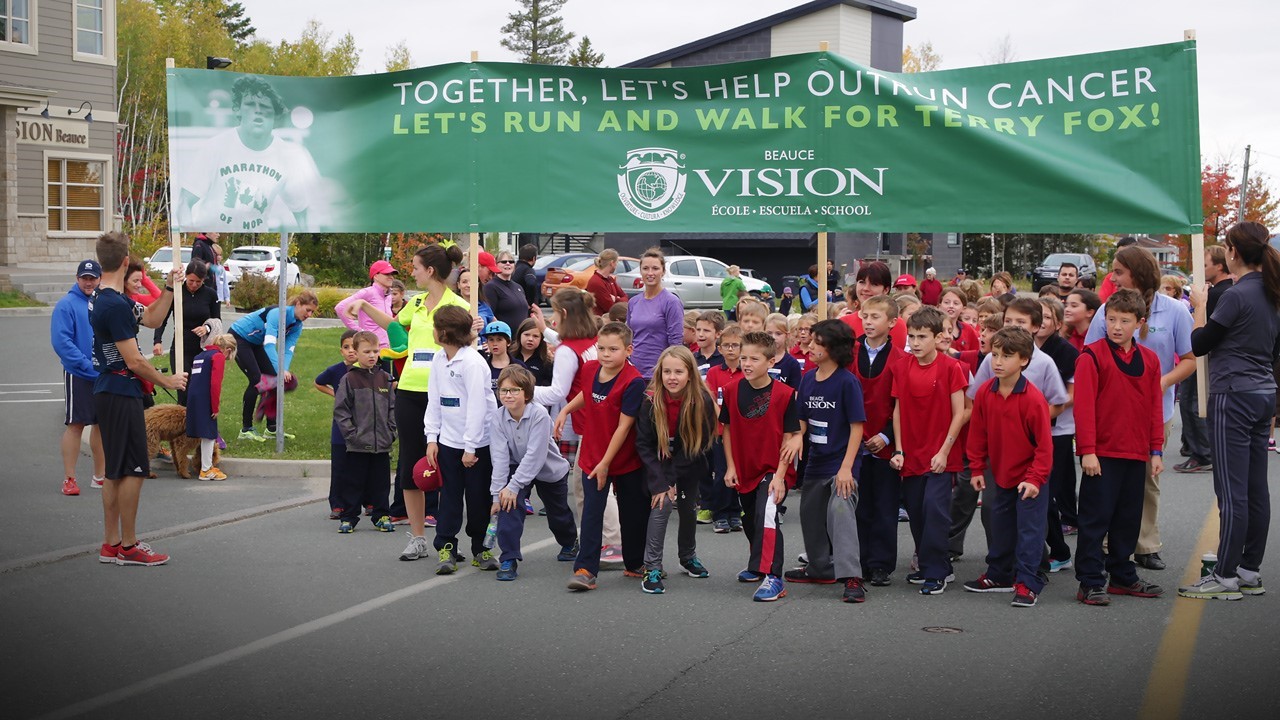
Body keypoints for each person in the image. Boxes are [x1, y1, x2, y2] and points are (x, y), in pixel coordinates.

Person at [1180, 222, 1279, 600]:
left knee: (1231, 490)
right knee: (1256, 488)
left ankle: (1224, 576)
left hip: (1233, 395)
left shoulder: (1237, 296)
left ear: (1233, 253)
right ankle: (1249, 570)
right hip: (1261, 393)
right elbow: (1274, 351)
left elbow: (1200, 343)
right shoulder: (1271, 292)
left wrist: (1201, 305)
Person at [1085, 245, 1194, 571]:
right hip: (1112, 415)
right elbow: (1091, 357)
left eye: (1118, 271)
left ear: (1138, 272)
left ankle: (1145, 543)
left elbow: (1190, 361)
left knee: (1146, 480)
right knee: (1110, 481)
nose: (1112, 277)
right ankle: (1108, 544)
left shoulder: (1175, 311)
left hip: (1155, 413)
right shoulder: (1107, 310)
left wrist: (1161, 382)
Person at [89, 231, 187, 567]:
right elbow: (134, 361)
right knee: (132, 468)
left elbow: (152, 318)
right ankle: (128, 546)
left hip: (113, 390)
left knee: (115, 471)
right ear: (126, 260)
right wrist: (168, 380)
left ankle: (111, 544)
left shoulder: (113, 298)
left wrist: (171, 287)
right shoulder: (112, 305)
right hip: (119, 390)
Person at [1073, 289, 1166, 605]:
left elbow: (1154, 407)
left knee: (1128, 519)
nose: (1116, 326)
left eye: (1124, 321)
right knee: (1095, 519)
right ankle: (1089, 580)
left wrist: (1156, 451)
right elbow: (1083, 407)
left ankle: (1123, 576)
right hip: (1102, 455)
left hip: (1136, 452)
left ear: (1139, 323)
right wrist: (1087, 449)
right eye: (1111, 319)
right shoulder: (1091, 356)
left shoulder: (1150, 360)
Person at [962, 327, 1054, 607]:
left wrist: (1035, 479)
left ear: (1024, 360)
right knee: (999, 525)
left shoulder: (1033, 399)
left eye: (1007, 356)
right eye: (995, 354)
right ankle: (999, 574)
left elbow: (1044, 447)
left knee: (1029, 531)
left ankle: (1027, 582)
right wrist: (977, 468)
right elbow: (977, 434)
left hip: (1030, 478)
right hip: (1000, 474)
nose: (998, 361)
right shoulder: (986, 393)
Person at [556, 322, 649, 591]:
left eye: (613, 349)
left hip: (624, 458)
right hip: (593, 455)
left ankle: (635, 563)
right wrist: (564, 411)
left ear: (628, 350)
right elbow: (588, 395)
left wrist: (607, 463)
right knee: (592, 514)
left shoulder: (634, 381)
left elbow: (624, 426)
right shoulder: (589, 368)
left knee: (633, 514)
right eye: (601, 348)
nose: (605, 354)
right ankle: (585, 569)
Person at [533, 288, 621, 565]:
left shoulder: (567, 351)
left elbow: (557, 392)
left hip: (593, 421)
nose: (553, 318)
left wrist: (522, 391)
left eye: (555, 312)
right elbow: (565, 345)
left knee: (594, 483)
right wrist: (544, 330)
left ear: (566, 314)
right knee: (585, 484)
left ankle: (612, 542)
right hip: (602, 416)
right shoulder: (592, 340)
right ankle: (600, 538)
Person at [786, 320, 868, 602]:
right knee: (810, 516)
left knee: (841, 512)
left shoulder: (847, 382)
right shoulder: (808, 378)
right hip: (815, 463)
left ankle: (852, 577)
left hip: (841, 464)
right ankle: (820, 569)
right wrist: (798, 435)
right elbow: (802, 417)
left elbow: (857, 427)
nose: (809, 346)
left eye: (817, 342)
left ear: (833, 348)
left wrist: (846, 469)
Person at [395, 242, 469, 555]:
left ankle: (448, 537)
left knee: (448, 464)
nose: (411, 273)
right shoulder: (414, 303)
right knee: (411, 464)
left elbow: (465, 347)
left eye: (414, 267)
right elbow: (399, 325)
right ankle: (417, 538)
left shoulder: (458, 306)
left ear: (430, 270)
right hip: (409, 388)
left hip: (445, 392)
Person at [890, 306, 968, 595]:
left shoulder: (951, 367)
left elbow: (959, 413)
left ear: (938, 337)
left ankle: (938, 570)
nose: (915, 342)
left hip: (940, 454)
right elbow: (897, 411)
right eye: (911, 336)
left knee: (935, 510)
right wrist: (898, 449)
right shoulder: (901, 367)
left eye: (922, 336)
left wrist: (945, 451)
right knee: (916, 512)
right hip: (911, 452)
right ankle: (929, 565)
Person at [177, 76, 321, 232]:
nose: (258, 110)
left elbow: (303, 213)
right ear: (238, 110)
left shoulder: (286, 156)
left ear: (274, 115)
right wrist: (192, 236)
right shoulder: (215, 147)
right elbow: (184, 201)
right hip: (213, 236)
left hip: (256, 241)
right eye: (250, 104)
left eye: (265, 106)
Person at [721, 331, 803, 602]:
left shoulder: (784, 394)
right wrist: (731, 466)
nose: (746, 363)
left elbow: (791, 438)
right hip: (744, 467)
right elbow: (728, 431)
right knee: (749, 518)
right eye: (743, 357)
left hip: (773, 468)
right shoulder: (732, 390)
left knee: (766, 515)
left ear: (770, 362)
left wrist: (780, 476)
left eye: (754, 358)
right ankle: (758, 564)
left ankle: (774, 577)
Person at [636, 346, 716, 594]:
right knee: (662, 504)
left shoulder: (701, 401)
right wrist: (661, 482)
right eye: (667, 371)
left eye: (678, 372)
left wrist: (671, 479)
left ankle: (688, 556)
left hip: (688, 462)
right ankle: (652, 567)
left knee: (687, 506)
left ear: (690, 374)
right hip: (657, 463)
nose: (672, 377)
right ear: (659, 373)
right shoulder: (650, 400)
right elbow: (643, 444)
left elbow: (697, 448)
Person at [490, 365, 580, 581]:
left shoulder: (539, 414)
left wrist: (513, 485)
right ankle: (508, 558)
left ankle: (569, 542)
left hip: (548, 469)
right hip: (516, 466)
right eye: (504, 391)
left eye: (514, 390)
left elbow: (535, 456)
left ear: (527, 394)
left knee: (557, 514)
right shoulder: (497, 417)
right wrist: (498, 493)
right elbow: (500, 458)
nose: (508, 395)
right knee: (508, 505)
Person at [424, 305, 497, 573]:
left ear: (445, 332)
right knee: (450, 497)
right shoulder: (438, 359)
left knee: (478, 499)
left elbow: (478, 407)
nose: (432, 331)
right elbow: (434, 400)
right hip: (448, 443)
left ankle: (481, 548)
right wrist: (432, 437)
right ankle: (446, 547)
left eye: (435, 326)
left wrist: (470, 447)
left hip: (477, 445)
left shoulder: (473, 363)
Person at [850, 296, 905, 586]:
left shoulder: (901, 359)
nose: (868, 322)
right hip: (854, 441)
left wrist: (886, 436)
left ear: (892, 322)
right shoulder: (851, 353)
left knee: (885, 507)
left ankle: (881, 564)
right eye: (865, 316)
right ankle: (856, 561)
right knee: (858, 506)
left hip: (885, 442)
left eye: (876, 317)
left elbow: (901, 406)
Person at [228, 291, 317, 441]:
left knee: (275, 381)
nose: (309, 314)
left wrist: (284, 370)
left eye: (312, 312)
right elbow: (269, 345)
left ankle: (272, 429)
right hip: (239, 338)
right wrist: (280, 369)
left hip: (256, 343)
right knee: (257, 380)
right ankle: (246, 429)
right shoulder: (278, 314)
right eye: (307, 310)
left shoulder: (297, 325)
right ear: (298, 304)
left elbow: (288, 350)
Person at [333, 331, 397, 534]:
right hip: (358, 444)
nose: (372, 355)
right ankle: (349, 517)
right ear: (356, 352)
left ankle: (381, 515)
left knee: (381, 482)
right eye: (367, 351)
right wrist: (351, 435)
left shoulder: (385, 378)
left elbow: (393, 408)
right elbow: (341, 411)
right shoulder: (349, 379)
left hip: (381, 443)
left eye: (375, 351)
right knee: (354, 481)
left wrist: (391, 431)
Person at [1176, 245, 1233, 474]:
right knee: (1190, 401)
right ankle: (1195, 449)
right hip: (1204, 354)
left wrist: (1199, 306)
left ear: (1219, 266)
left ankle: (1203, 453)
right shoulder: (1220, 292)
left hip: (1205, 355)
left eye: (1205, 264)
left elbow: (1206, 331)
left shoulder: (1220, 294)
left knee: (1193, 402)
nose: (1200, 268)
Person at [51, 259, 107, 495]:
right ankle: (69, 478)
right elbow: (62, 343)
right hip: (79, 375)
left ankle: (100, 476)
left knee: (101, 425)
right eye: (84, 278)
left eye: (92, 278)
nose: (88, 282)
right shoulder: (66, 305)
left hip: (103, 374)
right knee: (75, 425)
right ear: (77, 278)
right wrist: (86, 366)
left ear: (99, 279)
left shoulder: (103, 302)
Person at [1036, 296, 1081, 566]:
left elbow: (1070, 396)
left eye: (1047, 317)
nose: (1041, 322)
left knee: (1047, 494)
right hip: (1028, 429)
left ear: (1058, 323)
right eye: (1037, 316)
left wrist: (1038, 411)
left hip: (1058, 431)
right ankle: (1048, 549)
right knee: (1036, 492)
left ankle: (1059, 551)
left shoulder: (1067, 352)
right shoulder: (1024, 348)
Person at [160, 261, 221, 406]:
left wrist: (206, 328)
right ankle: (183, 425)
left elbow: (217, 320)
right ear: (186, 276)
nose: (194, 285)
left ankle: (200, 422)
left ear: (204, 280)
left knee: (200, 389)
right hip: (181, 347)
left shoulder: (210, 294)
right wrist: (158, 340)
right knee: (183, 389)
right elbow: (163, 317)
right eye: (191, 281)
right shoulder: (177, 291)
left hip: (202, 349)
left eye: (198, 282)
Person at [704, 324, 745, 532]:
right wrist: (723, 418)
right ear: (719, 348)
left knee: (738, 472)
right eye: (726, 345)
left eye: (735, 345)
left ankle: (734, 511)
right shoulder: (714, 372)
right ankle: (719, 513)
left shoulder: (745, 372)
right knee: (721, 472)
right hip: (720, 431)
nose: (730, 349)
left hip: (741, 433)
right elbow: (710, 399)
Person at [315, 330, 359, 519]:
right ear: (341, 350)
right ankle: (338, 504)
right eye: (346, 347)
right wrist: (335, 394)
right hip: (341, 428)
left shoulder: (366, 371)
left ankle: (367, 501)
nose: (351, 351)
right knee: (340, 466)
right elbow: (318, 382)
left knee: (360, 466)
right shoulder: (335, 370)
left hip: (362, 426)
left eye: (354, 347)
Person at [627, 248, 684, 379]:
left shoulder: (671, 302)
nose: (650, 273)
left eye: (655, 268)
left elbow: (676, 342)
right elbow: (629, 336)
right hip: (633, 372)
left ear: (663, 272)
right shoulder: (633, 302)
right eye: (646, 268)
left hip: (657, 373)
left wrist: (669, 372)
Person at [186, 333, 236, 482]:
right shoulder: (218, 357)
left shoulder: (201, 355)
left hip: (193, 397)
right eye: (230, 353)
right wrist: (215, 407)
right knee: (209, 434)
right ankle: (206, 469)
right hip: (205, 398)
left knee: (204, 433)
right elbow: (215, 384)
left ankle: (205, 466)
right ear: (227, 349)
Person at [335, 260, 399, 352]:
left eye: (392, 274)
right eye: (386, 274)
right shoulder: (368, 292)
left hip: (386, 348)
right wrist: (359, 332)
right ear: (376, 276)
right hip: (369, 348)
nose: (391, 277)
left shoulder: (388, 296)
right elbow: (340, 308)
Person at [842, 261, 907, 350]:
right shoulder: (843, 323)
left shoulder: (896, 324)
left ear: (886, 290)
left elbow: (895, 360)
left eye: (874, 284)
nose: (865, 289)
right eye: (862, 282)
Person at [485, 250, 532, 332]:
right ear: (496, 265)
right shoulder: (491, 287)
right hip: (504, 338)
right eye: (503, 262)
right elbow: (489, 315)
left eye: (511, 261)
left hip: (521, 338)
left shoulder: (518, 287)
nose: (508, 263)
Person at [765, 313, 803, 389]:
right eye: (769, 333)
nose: (773, 337)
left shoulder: (792, 364)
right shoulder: (758, 359)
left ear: (787, 335)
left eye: (778, 334)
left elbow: (795, 392)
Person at [585, 248, 629, 316]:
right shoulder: (596, 282)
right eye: (616, 262)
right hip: (600, 322)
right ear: (612, 263)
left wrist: (615, 299)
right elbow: (610, 308)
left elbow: (625, 297)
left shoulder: (610, 279)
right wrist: (619, 300)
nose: (617, 265)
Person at [514, 318, 554, 387]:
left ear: (541, 339)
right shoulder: (509, 355)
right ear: (519, 335)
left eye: (535, 336)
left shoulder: (547, 362)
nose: (530, 339)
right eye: (527, 334)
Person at [1097, 236, 1138, 302]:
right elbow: (1101, 303)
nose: (1121, 258)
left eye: (1126, 254)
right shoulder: (1110, 278)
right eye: (1119, 254)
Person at [693, 310, 725, 379]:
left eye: (706, 330)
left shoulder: (724, 358)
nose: (700, 334)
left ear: (718, 334)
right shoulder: (691, 358)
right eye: (698, 330)